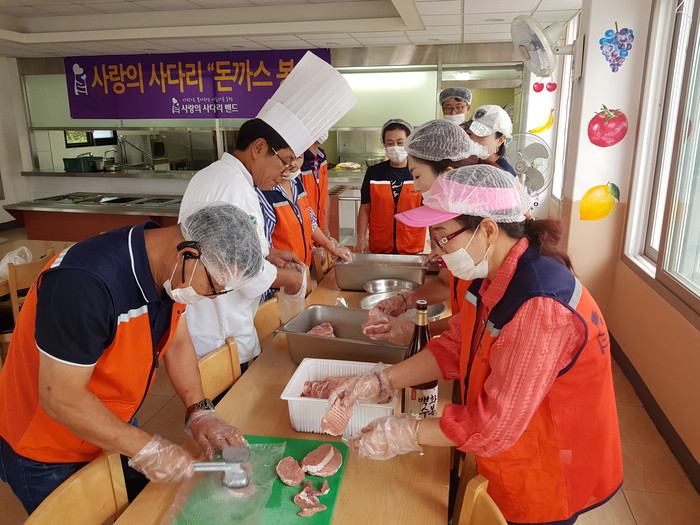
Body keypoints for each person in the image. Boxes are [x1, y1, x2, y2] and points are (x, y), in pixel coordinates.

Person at [327, 166, 623, 525]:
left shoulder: (538, 305)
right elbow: (455, 345)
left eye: (442, 238)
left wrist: (406, 432)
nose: (437, 252)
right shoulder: (488, 276)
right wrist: (380, 381)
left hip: (547, 468)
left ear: (487, 230)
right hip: (512, 448)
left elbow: (493, 427)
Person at [0, 203, 264, 514]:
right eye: (215, 287)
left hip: (112, 423)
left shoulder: (168, 270)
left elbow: (177, 341)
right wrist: (144, 446)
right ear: (188, 254)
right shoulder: (84, 284)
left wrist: (200, 411)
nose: (211, 298)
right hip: (49, 448)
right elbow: (60, 398)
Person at [179, 51, 356, 365]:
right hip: (219, 331)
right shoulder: (232, 187)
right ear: (259, 148)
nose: (286, 172)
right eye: (285, 161)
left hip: (225, 322)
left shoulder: (228, 178)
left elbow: (230, 248)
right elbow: (240, 270)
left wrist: (268, 254)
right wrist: (289, 279)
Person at [370, 119, 490, 340]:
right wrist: (405, 300)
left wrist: (417, 330)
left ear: (447, 174)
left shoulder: (478, 238)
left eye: (416, 176)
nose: (415, 187)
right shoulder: (460, 224)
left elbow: (480, 321)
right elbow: (446, 282)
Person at [258, 162, 352, 270]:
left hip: (302, 267)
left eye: (299, 158)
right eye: (288, 158)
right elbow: (264, 248)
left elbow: (309, 222)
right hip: (281, 274)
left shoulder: (296, 183)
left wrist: (332, 248)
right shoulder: (263, 193)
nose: (294, 164)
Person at [354, 119, 425, 255]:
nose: (395, 148)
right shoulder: (374, 172)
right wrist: (361, 239)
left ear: (409, 143)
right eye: (390, 143)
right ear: (384, 144)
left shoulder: (419, 172)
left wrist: (436, 243)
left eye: (400, 143)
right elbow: (365, 208)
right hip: (379, 244)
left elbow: (429, 210)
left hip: (412, 243)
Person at [463, 104, 517, 176]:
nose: (472, 141)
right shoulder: (476, 162)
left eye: (480, 135)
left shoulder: (503, 175)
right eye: (469, 134)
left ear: (500, 141)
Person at [299, 131, 330, 234]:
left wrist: (325, 229)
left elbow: (324, 194)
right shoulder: (298, 161)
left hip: (319, 230)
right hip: (305, 232)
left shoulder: (321, 156)